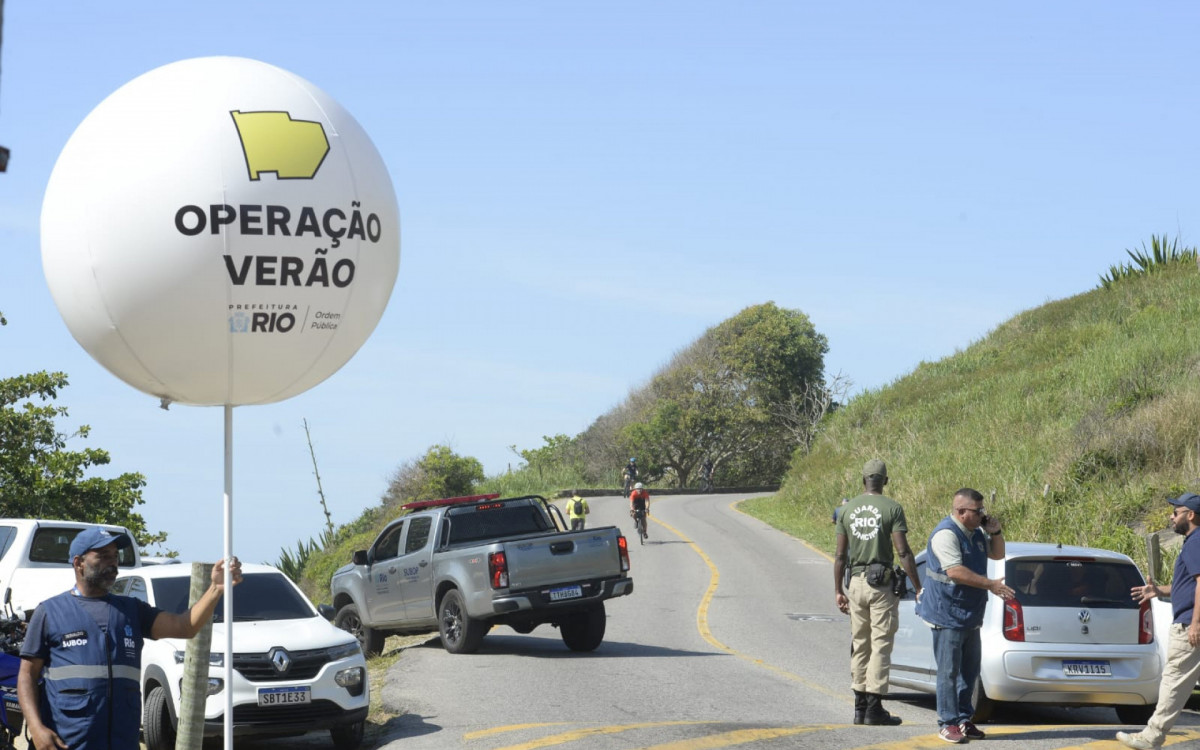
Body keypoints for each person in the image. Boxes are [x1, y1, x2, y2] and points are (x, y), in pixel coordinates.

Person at [18, 527, 243, 750]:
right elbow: (27, 676)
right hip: (68, 743)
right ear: (79, 563)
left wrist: (215, 589)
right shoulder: (50, 612)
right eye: (103, 556)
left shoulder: (131, 610)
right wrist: (37, 729)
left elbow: (185, 627)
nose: (113, 562)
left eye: (115, 556)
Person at [914, 488, 1013, 744]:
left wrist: (996, 532)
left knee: (969, 671)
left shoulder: (977, 532)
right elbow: (955, 571)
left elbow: (998, 553)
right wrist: (991, 584)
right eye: (977, 511)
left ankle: (963, 720)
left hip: (970, 613)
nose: (983, 514)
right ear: (960, 511)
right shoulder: (946, 534)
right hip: (947, 613)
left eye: (983, 510)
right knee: (948, 671)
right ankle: (947, 722)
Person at [833, 459, 922, 726]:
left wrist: (838, 590)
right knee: (880, 644)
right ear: (885, 481)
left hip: (856, 583)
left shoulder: (847, 510)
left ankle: (859, 708)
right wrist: (918, 586)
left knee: (860, 643)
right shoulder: (892, 508)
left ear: (863, 480)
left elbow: (839, 555)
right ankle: (874, 708)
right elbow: (903, 552)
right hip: (881, 584)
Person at [1117, 492, 1200, 750]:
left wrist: (1196, 623)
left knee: (1173, 680)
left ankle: (1151, 737)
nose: (1171, 516)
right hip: (1191, 619)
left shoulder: (1196, 542)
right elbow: (1187, 585)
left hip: (1190, 624)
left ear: (1191, 515)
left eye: (1176, 512)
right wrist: (1159, 591)